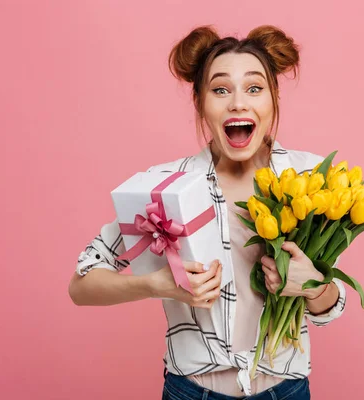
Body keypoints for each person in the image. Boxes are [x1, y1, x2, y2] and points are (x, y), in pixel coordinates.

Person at [68, 25, 347, 400]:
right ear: (200, 102)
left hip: (286, 390)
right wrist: (157, 285)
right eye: (220, 89)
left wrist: (313, 284)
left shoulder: (312, 179)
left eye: (254, 88)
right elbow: (81, 286)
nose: (237, 103)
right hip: (191, 391)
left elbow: (330, 308)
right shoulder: (164, 189)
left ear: (272, 98)